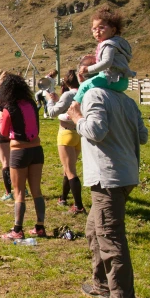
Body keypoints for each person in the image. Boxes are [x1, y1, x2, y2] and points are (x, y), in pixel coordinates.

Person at [67, 57, 148, 298]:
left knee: (111, 238)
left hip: (107, 178)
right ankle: (102, 284)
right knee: (94, 230)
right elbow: (142, 135)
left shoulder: (94, 95)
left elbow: (96, 131)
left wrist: (78, 117)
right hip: (126, 174)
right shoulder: (127, 101)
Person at [0, 73, 46, 240]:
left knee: (19, 192)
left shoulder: (9, 107)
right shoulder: (32, 104)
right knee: (36, 190)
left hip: (19, 151)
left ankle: (17, 229)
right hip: (37, 150)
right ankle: (40, 226)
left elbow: (3, 133)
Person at [73, 7, 136, 105]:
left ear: (113, 30)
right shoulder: (117, 43)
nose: (97, 31)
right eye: (94, 29)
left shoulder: (109, 45)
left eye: (101, 27)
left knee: (84, 86)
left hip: (111, 79)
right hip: (122, 80)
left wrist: (88, 69)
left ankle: (75, 107)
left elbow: (107, 62)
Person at [46, 69, 86, 215]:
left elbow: (52, 112)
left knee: (70, 171)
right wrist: (58, 100)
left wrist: (50, 100)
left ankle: (78, 205)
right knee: (68, 168)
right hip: (79, 134)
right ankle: (63, 197)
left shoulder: (69, 94)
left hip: (66, 134)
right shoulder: (84, 92)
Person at [0, 72, 14, 202]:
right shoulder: (15, 95)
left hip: (1, 129)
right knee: (16, 161)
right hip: (15, 130)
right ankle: (22, 187)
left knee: (5, 162)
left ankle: (8, 192)